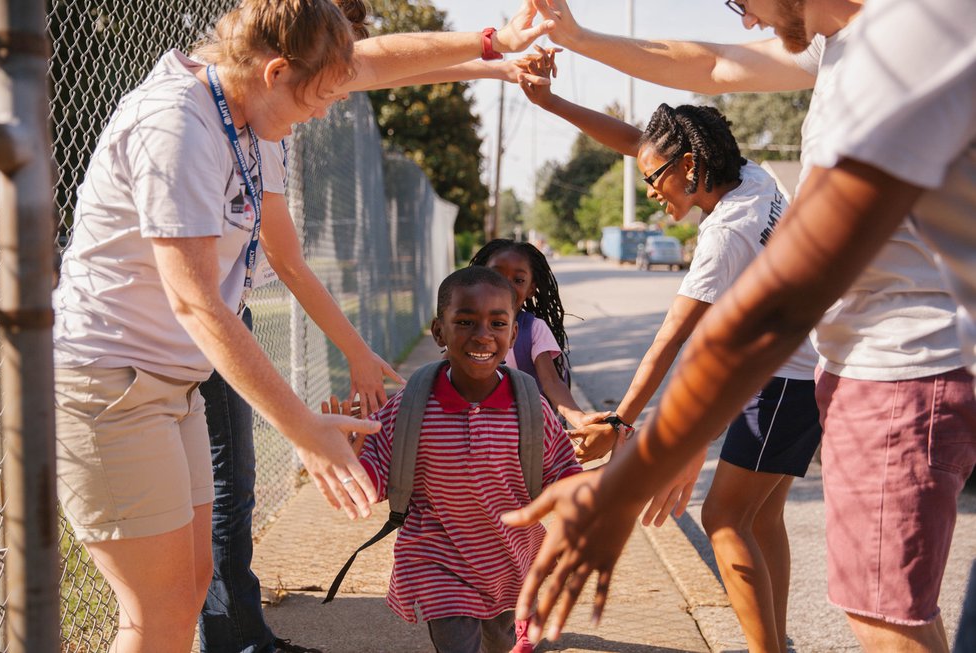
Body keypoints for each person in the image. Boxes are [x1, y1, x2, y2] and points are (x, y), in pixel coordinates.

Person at [52, 0, 555, 649]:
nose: (322, 112)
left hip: (168, 386)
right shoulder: (178, 123)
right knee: (158, 610)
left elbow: (371, 65)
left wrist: (494, 47)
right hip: (110, 385)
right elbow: (196, 302)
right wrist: (306, 430)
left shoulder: (238, 110)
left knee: (191, 588)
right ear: (277, 71)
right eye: (316, 97)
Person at [505, 0, 976, 651]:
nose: (744, 17)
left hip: (884, 372)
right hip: (850, 369)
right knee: (823, 562)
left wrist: (628, 457)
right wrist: (573, 54)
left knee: (855, 595)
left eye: (740, 1)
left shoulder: (903, 39)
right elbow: (700, 68)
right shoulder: (756, 165)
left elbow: (742, 321)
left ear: (692, 169)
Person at [519, 60, 821, 652]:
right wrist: (551, 104)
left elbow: (670, 339)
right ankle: (778, 642)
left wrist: (621, 420)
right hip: (802, 373)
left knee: (724, 521)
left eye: (656, 179)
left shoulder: (725, 233)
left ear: (690, 165)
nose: (652, 191)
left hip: (782, 381)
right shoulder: (752, 178)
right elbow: (637, 141)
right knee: (760, 518)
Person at [336, 266, 581, 653]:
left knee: (500, 642)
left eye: (497, 323)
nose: (482, 335)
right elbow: (375, 479)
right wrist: (348, 459)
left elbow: (564, 473)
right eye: (465, 322)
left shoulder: (529, 406)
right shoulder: (410, 404)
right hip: (437, 560)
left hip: (509, 561)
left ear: (513, 333)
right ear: (439, 331)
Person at [468, 239, 588, 430]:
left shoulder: (534, 329)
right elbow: (445, 372)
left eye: (518, 280)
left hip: (527, 436)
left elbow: (551, 382)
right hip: (478, 433)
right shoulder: (464, 328)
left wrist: (580, 419)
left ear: (531, 289)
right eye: (495, 274)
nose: (505, 285)